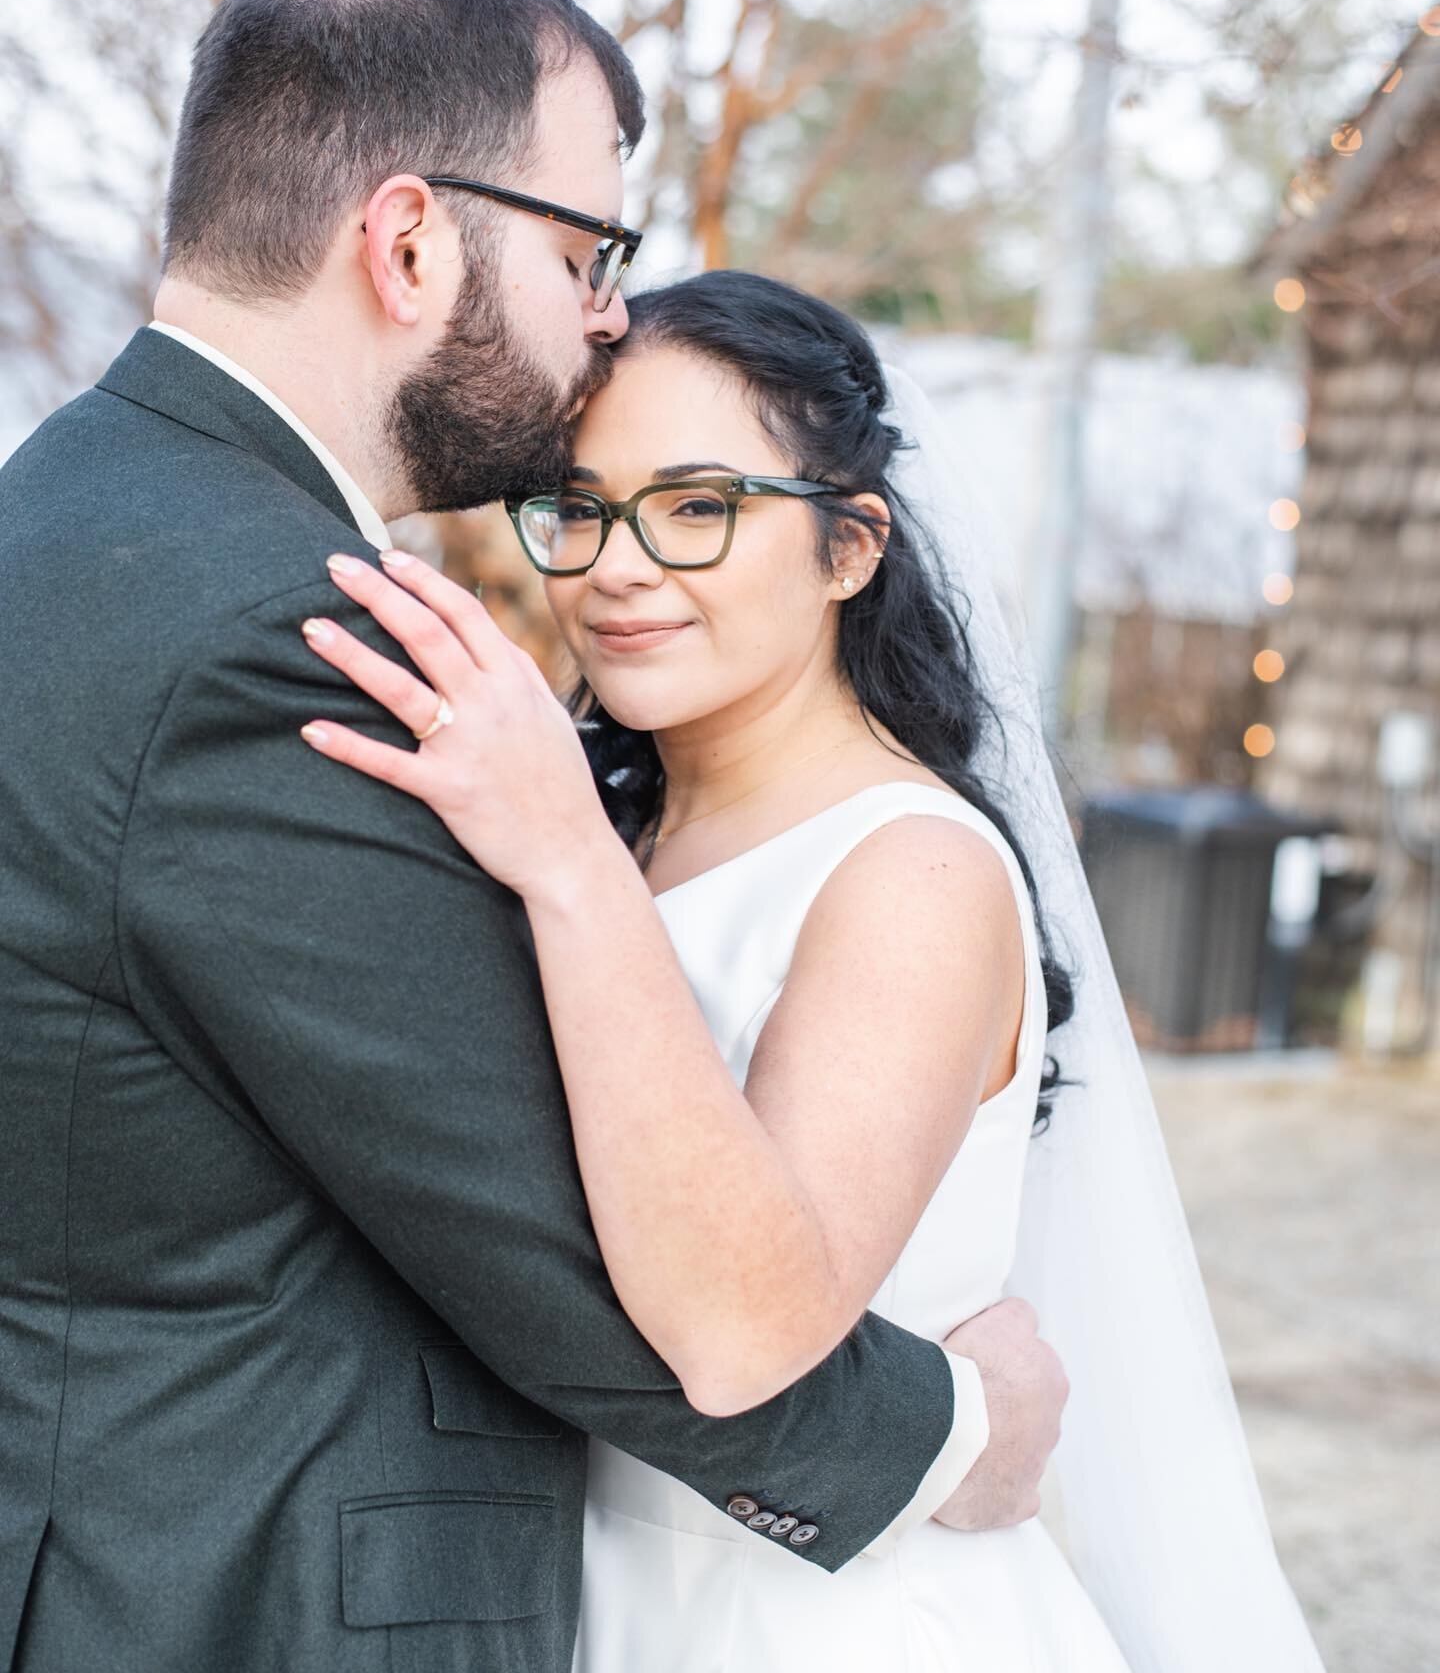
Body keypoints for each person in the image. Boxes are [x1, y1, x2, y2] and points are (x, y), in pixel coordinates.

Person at [0, 0, 1066, 1673]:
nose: (608, 309)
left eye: (704, 506)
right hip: (238, 1594)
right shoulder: (277, 638)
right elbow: (574, 1263)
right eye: (589, 248)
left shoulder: (67, 523)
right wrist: (954, 1428)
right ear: (408, 242)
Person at [302, 270, 1327, 1673]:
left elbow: (741, 1334)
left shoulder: (910, 871)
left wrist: (566, 860)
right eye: (580, 507)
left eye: (698, 506)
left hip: (825, 1621)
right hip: (584, 1595)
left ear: (849, 549)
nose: (615, 565)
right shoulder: (594, 821)